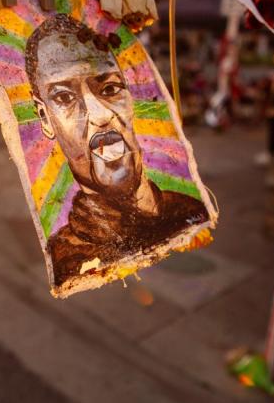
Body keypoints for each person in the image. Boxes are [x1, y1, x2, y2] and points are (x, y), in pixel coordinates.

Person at [25, 14, 209, 285]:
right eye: (64, 97)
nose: (100, 116)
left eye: (110, 88)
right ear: (45, 119)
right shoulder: (69, 257)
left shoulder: (188, 210)